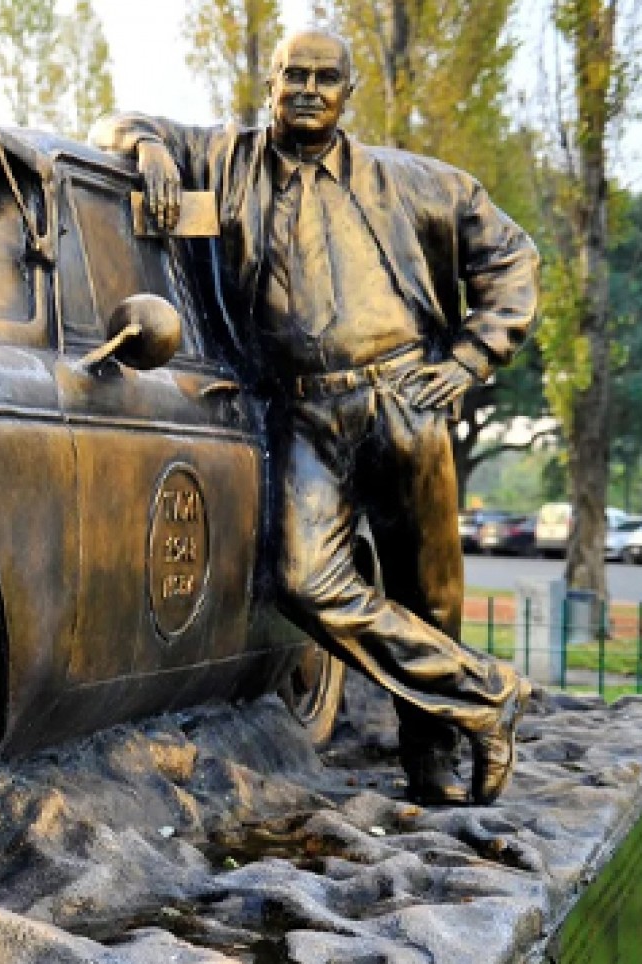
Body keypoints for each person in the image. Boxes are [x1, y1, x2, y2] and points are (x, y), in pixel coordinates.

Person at [91, 27, 538, 804]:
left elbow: (511, 256)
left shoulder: (416, 183)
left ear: (347, 93)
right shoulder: (226, 158)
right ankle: (485, 694)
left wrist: (471, 356)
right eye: (291, 73)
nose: (305, 87)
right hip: (305, 414)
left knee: (426, 596)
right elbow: (114, 125)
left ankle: (432, 767)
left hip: (404, 400)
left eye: (323, 77)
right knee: (306, 582)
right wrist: (153, 151)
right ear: (268, 83)